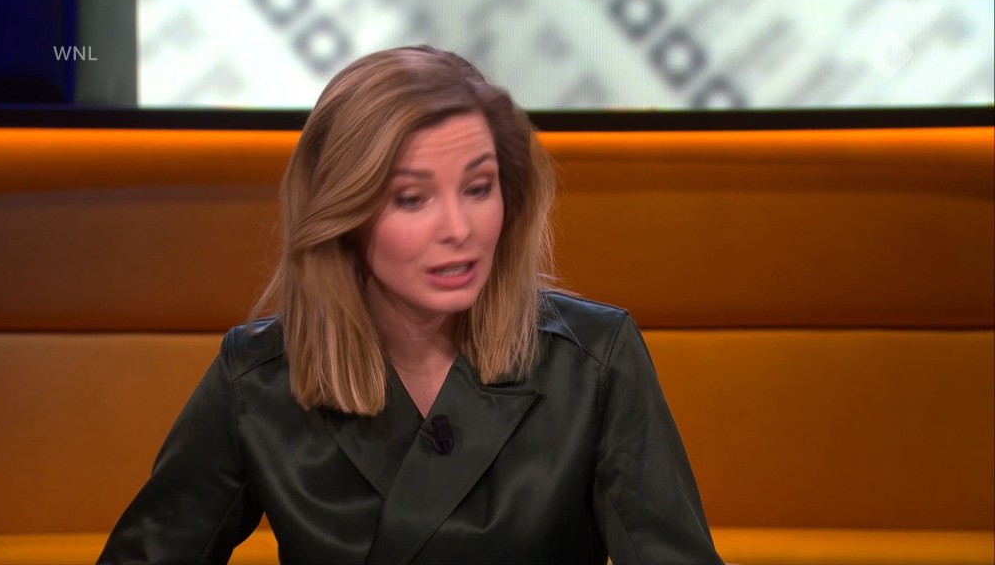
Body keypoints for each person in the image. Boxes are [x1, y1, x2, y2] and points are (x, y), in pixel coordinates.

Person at [98, 45, 723, 565]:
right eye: (412, 198)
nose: (459, 229)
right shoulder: (257, 378)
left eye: (478, 187)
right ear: (341, 215)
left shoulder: (594, 361)